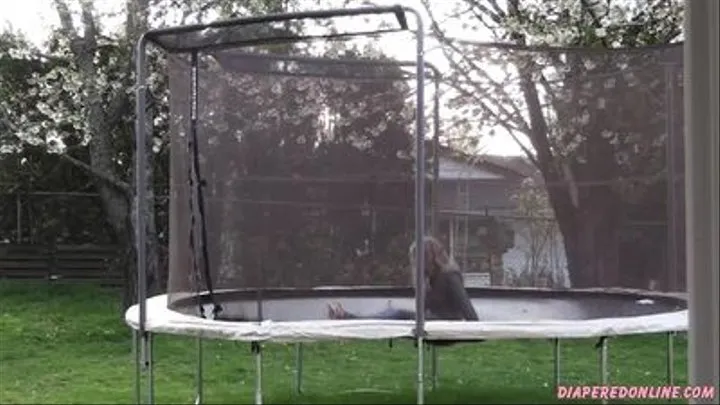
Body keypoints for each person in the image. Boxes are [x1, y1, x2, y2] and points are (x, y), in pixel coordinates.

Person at [327, 236, 479, 321]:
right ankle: (348, 317)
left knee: (397, 314)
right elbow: (425, 310)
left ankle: (348, 317)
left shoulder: (450, 277)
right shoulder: (430, 279)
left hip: (446, 324)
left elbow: (469, 313)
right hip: (433, 321)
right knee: (392, 311)